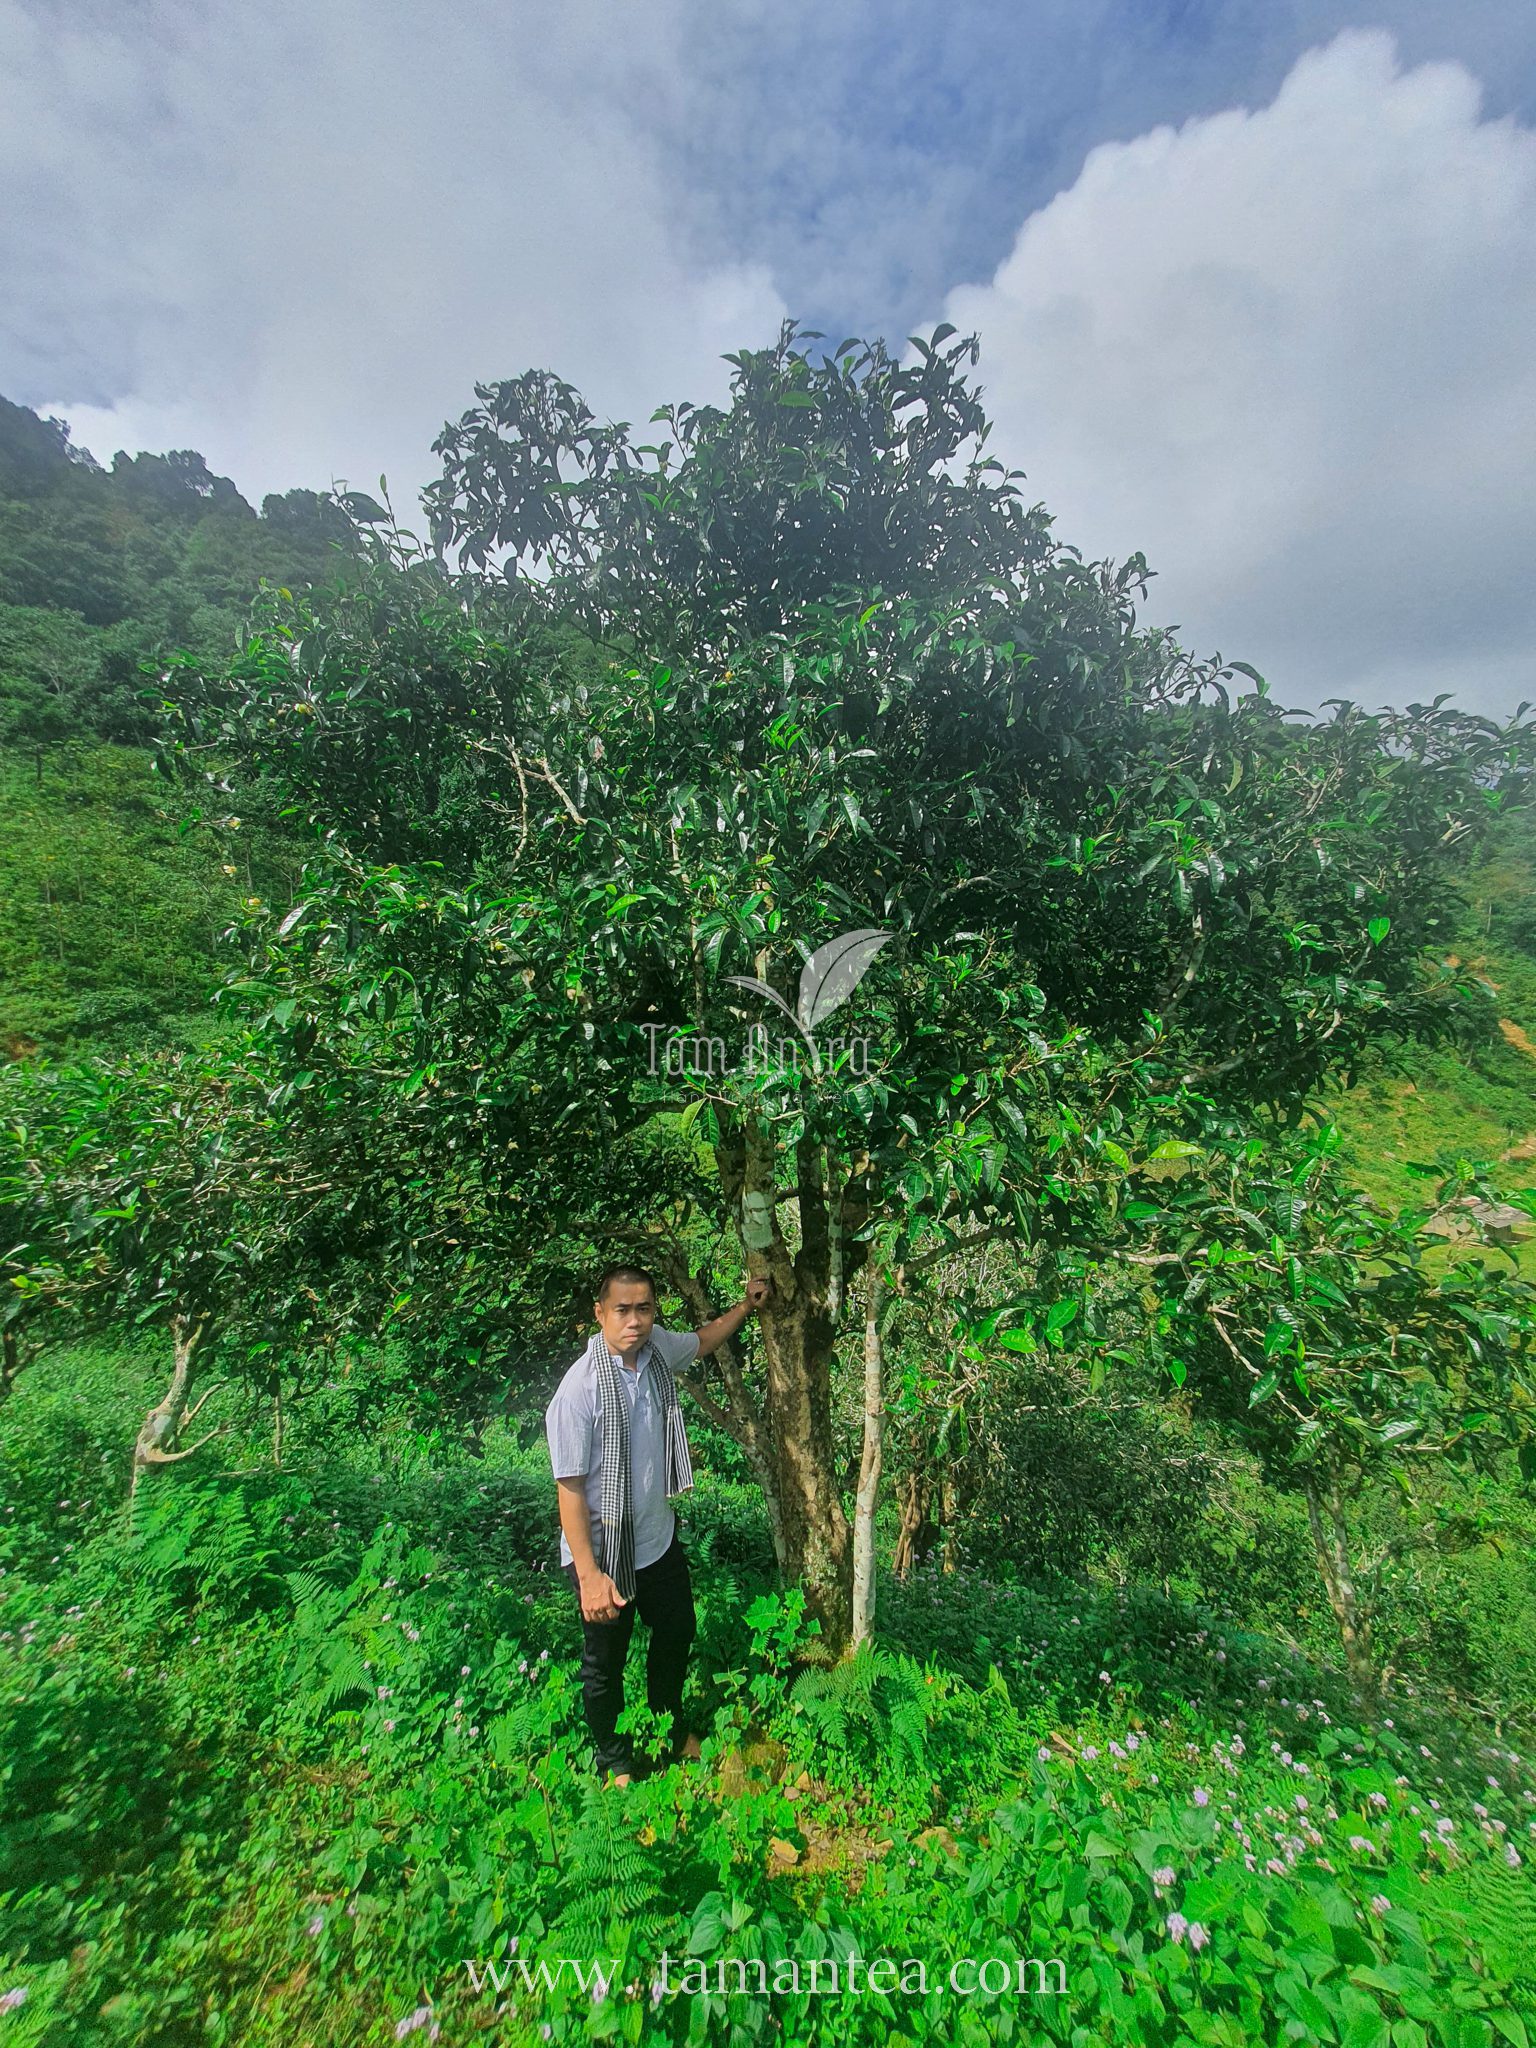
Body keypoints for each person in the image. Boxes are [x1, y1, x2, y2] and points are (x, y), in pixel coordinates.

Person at [544, 1263, 771, 1787]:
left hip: (656, 1540)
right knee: (606, 1663)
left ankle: (667, 1728)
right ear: (600, 1314)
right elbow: (570, 1490)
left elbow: (703, 1340)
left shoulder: (656, 1353)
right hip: (603, 1554)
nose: (634, 1320)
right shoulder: (578, 1392)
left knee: (676, 1629)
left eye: (644, 1308)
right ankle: (615, 1761)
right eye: (622, 1309)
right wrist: (589, 1576)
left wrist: (746, 1306)